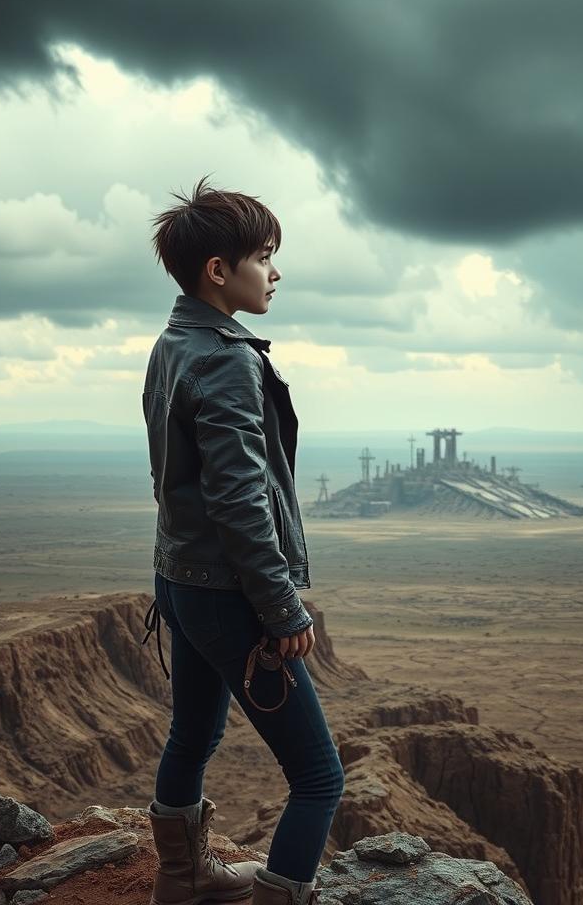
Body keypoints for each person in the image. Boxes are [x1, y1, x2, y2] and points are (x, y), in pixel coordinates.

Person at [141, 176, 345, 905]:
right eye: (264, 256)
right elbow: (239, 502)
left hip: (179, 580)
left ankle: (183, 880)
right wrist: (283, 610)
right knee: (320, 777)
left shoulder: (174, 342)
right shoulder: (225, 359)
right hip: (228, 592)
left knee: (192, 735)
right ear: (218, 271)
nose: (276, 272)